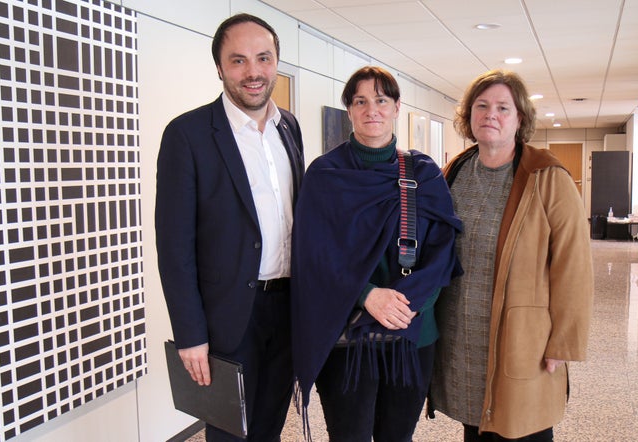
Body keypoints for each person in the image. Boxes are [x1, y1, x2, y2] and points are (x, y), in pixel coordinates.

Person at [291, 66, 462, 442]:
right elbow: (314, 255)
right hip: (346, 332)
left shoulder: (424, 173)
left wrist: (406, 304)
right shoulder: (325, 174)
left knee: (397, 436)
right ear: (349, 110)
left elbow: (443, 253)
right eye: (361, 101)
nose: (372, 110)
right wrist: (367, 294)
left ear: (397, 107)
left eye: (381, 100)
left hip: (410, 331)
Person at [155, 13, 304, 441]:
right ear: (219, 68)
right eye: (238, 60)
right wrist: (190, 334)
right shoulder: (188, 134)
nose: (253, 72)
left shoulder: (288, 127)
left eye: (263, 58)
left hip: (287, 308)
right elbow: (174, 247)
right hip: (228, 318)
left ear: (276, 62)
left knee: (269, 428)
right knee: (228, 434)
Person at [428, 69, 594, 441]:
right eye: (482, 106)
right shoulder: (455, 171)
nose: (491, 114)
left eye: (503, 107)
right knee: (475, 425)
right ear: (469, 115)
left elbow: (574, 267)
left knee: (523, 426)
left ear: (520, 119)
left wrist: (563, 342)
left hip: (522, 337)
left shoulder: (547, 177)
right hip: (462, 335)